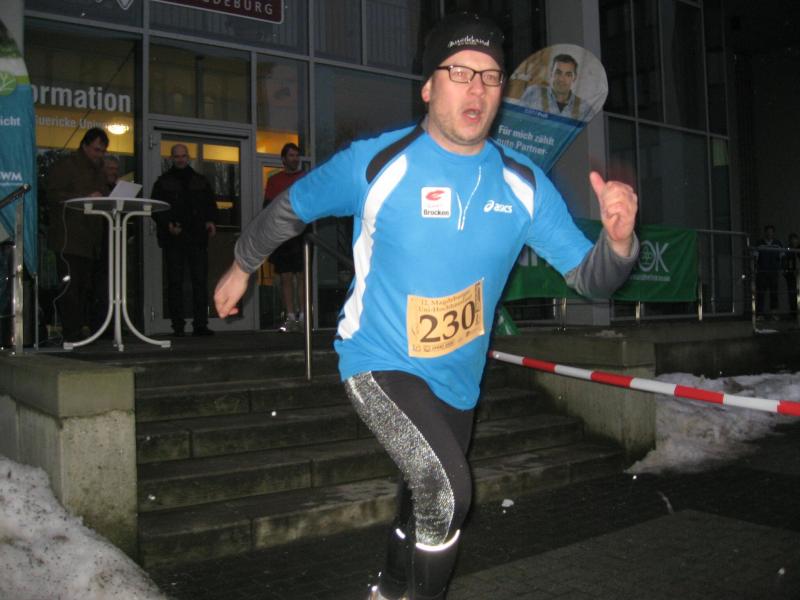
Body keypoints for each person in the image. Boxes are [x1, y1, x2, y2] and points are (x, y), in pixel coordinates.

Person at [214, 12, 638, 600]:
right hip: (378, 359)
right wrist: (241, 264)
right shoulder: (377, 163)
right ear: (428, 87)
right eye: (459, 72)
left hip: (458, 379)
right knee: (448, 491)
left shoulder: (524, 186)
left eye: (490, 76)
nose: (476, 88)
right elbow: (292, 208)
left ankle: (389, 589)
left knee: (421, 494)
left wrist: (618, 243)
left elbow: (592, 281)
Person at [45, 127, 109, 341]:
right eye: (96, 150)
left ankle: (80, 330)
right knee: (71, 288)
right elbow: (52, 194)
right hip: (69, 238)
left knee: (84, 288)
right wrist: (85, 196)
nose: (99, 155)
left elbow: (101, 194)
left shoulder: (98, 170)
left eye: (102, 151)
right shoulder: (66, 165)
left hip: (89, 239)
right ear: (84, 145)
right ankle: (71, 332)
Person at [151, 144, 218, 337]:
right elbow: (156, 209)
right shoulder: (164, 182)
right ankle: (178, 325)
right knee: (175, 282)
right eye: (177, 156)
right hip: (175, 239)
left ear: (188, 157)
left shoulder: (200, 181)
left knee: (199, 282)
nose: (180, 159)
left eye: (183, 156)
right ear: (171, 158)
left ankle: (200, 324)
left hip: (196, 238)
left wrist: (210, 221)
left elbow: (210, 205)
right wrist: (168, 225)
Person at [263, 142, 307, 332]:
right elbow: (267, 208)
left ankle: (304, 317)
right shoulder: (274, 180)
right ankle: (290, 317)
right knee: (286, 276)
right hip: (282, 233)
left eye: (297, 155)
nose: (295, 159)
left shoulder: (305, 178)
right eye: (291, 155)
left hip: (302, 232)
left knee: (302, 275)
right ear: (283, 159)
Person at [519, 53, 591, 121]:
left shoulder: (585, 108)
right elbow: (517, 120)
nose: (561, 79)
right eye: (558, 73)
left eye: (568, 75)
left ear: (574, 78)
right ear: (551, 73)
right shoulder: (533, 93)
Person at [754, 225, 783, 319]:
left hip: (774, 271)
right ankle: (760, 314)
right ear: (765, 232)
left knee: (774, 293)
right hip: (762, 271)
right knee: (761, 293)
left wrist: (780, 267)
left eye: (771, 231)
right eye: (768, 231)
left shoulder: (777, 243)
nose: (769, 233)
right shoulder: (759, 243)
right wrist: (755, 268)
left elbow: (782, 257)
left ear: (773, 233)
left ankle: (774, 313)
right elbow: (755, 257)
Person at [784, 232, 799, 316]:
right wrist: (787, 272)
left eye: (795, 240)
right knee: (792, 295)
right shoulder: (788, 250)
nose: (794, 242)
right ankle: (794, 314)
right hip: (791, 276)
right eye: (792, 240)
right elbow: (785, 262)